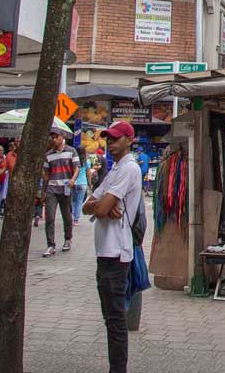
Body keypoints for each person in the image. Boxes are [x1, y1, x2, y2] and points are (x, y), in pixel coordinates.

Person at [83, 121, 142, 373]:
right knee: (110, 318)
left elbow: (101, 206)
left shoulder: (129, 168)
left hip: (117, 253)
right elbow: (88, 205)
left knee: (116, 319)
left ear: (129, 140)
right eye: (108, 139)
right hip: (105, 252)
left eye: (116, 139)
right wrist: (100, 205)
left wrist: (102, 205)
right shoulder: (115, 169)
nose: (111, 143)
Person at [41, 131, 80, 257]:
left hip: (66, 187)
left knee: (66, 215)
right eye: (52, 137)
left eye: (56, 137)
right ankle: (50, 245)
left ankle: (68, 239)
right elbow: (46, 175)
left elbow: (77, 167)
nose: (54, 139)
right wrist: (43, 192)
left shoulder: (71, 151)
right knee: (49, 217)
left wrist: (73, 179)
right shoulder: (48, 155)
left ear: (62, 137)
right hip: (52, 188)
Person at [71, 146, 89, 226]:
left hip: (74, 182)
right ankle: (76, 220)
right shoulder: (86, 161)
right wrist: (90, 183)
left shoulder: (73, 161)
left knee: (73, 201)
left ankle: (72, 217)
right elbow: (88, 173)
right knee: (79, 202)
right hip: (83, 183)